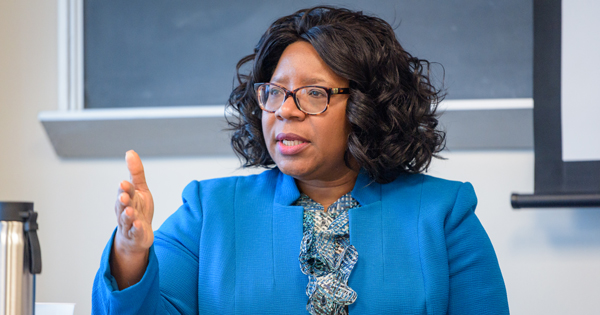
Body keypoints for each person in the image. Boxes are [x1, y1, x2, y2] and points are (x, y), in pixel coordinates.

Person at [92, 6, 509, 315]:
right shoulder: (209, 211)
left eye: (313, 93)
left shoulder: (444, 215)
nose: (284, 110)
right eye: (273, 92)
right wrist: (131, 254)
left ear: (366, 106)